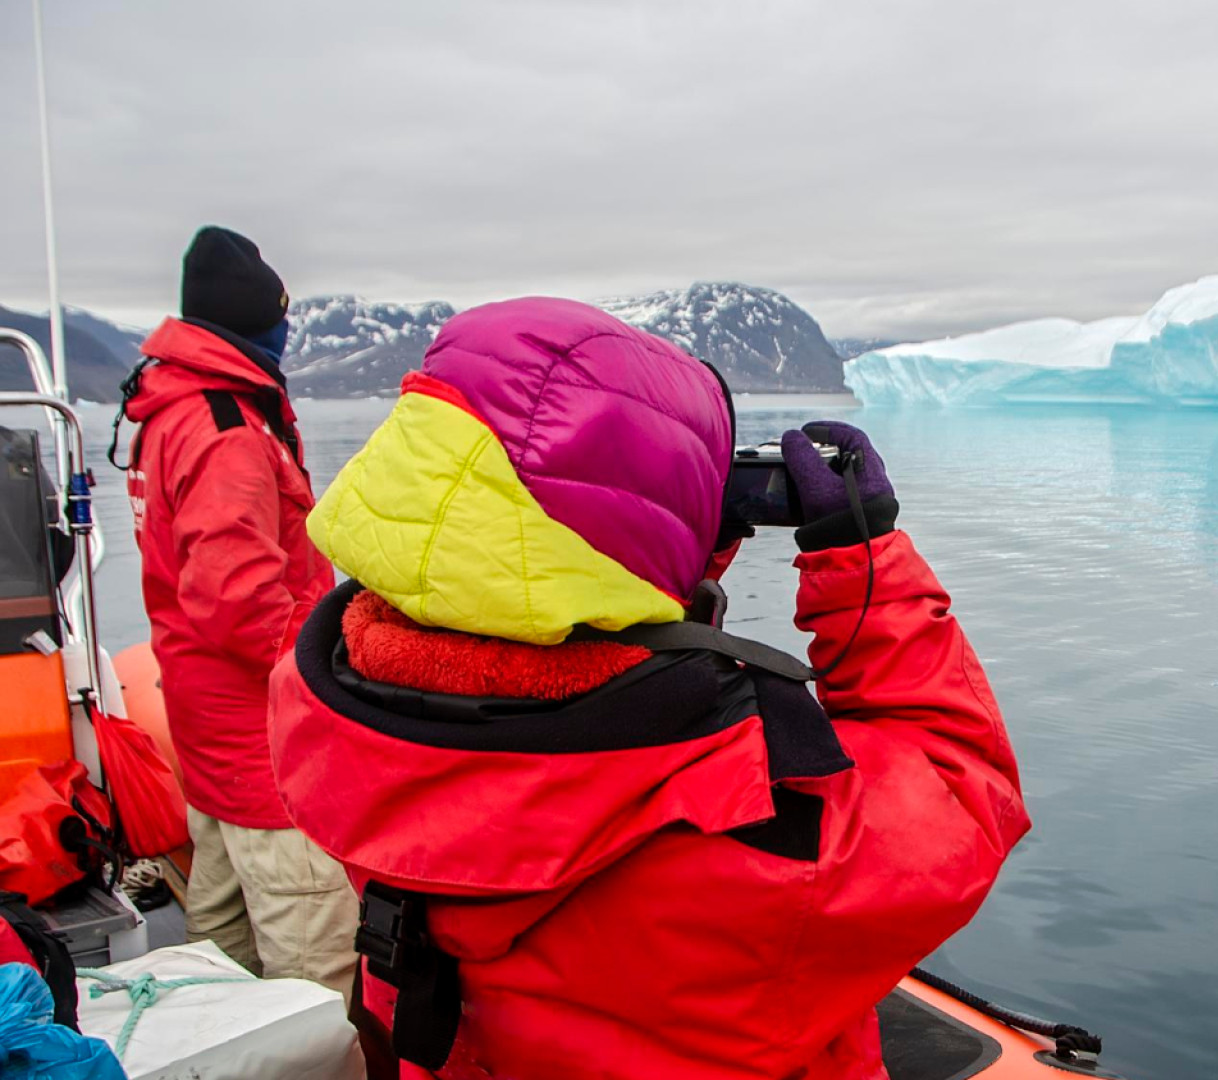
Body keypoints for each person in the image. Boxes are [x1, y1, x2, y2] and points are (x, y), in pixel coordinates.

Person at [268, 297, 1029, 1079]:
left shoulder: (323, 711)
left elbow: (519, 603)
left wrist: (675, 564)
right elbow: (961, 783)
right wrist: (864, 565)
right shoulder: (758, 823)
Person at [118, 226, 356, 994]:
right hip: (267, 754)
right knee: (315, 973)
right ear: (264, 324)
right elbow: (238, 600)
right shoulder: (226, 431)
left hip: (211, 739)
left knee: (218, 956)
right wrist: (326, 669)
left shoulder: (172, 408)